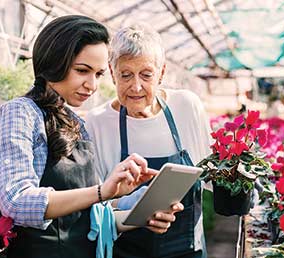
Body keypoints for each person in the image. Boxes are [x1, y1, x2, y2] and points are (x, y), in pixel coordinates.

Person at [0, 15, 183, 258]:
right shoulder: (20, 113)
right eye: (82, 71)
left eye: (98, 74)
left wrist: (138, 205)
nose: (92, 85)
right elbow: (16, 201)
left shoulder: (75, 121)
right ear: (54, 62)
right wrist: (101, 191)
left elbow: (92, 217)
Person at [85, 23, 212, 258]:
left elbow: (211, 177)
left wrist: (238, 177)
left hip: (188, 250)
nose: (136, 86)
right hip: (126, 251)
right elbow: (94, 206)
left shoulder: (186, 106)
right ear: (112, 74)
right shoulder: (97, 123)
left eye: (146, 75)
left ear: (161, 73)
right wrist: (129, 209)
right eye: (125, 75)